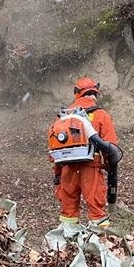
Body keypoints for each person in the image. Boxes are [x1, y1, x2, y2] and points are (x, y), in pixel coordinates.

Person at [51, 77, 119, 228]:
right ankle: (99, 238)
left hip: (67, 168)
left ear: (77, 93)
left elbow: (54, 150)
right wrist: (108, 167)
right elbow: (111, 147)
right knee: (96, 210)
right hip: (91, 167)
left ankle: (68, 238)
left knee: (68, 210)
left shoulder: (63, 117)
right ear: (95, 93)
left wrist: (57, 174)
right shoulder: (101, 115)